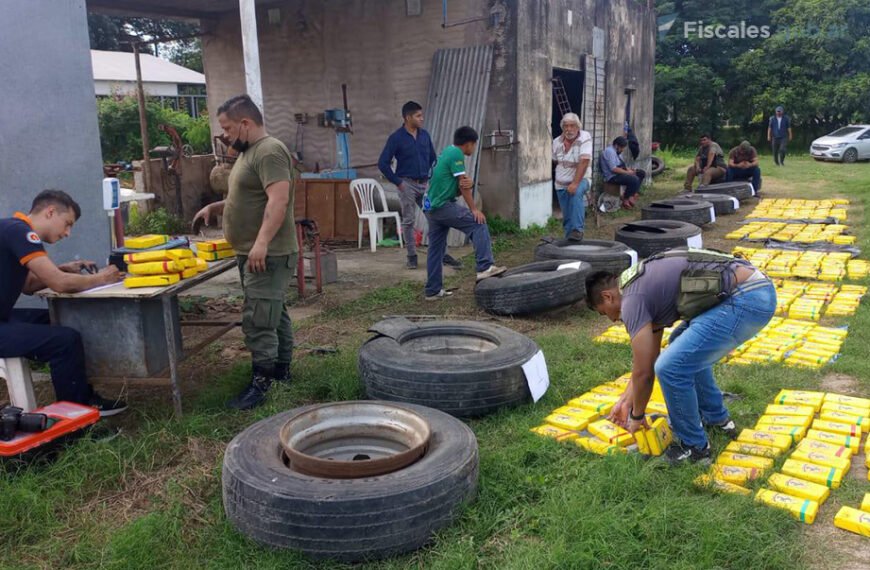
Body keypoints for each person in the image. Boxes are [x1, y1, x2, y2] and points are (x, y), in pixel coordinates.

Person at [585, 248, 775, 464]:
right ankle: (716, 419)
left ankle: (695, 448)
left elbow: (646, 373)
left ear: (607, 296)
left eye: (603, 313)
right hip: (753, 291)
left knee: (671, 367)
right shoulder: (636, 285)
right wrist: (626, 400)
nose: (610, 320)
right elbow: (646, 362)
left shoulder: (631, 301)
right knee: (680, 348)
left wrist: (637, 417)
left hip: (748, 298)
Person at [192, 94, 297, 410]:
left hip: (269, 252)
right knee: (273, 312)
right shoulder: (249, 153)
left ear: (245, 123)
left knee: (259, 318)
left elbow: (278, 201)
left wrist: (261, 242)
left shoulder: (270, 151)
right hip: (254, 250)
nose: (223, 134)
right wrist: (219, 205)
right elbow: (251, 195)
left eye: (226, 128)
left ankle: (262, 384)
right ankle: (281, 373)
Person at [0, 190, 126, 416]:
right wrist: (102, 278)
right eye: (67, 224)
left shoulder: (11, 228)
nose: (67, 233)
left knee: (60, 318)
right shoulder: (22, 233)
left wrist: (62, 268)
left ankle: (82, 397)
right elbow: (59, 284)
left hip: (4, 317)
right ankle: (76, 415)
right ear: (50, 212)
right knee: (64, 340)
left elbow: (28, 285)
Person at [423, 126, 506, 300]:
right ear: (468, 144)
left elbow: (457, 186)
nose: (473, 149)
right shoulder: (456, 155)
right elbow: (462, 184)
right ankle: (485, 267)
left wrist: (465, 185)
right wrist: (474, 209)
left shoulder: (447, 152)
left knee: (436, 250)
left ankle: (433, 291)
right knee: (478, 223)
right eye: (474, 145)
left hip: (432, 208)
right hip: (442, 206)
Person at [377, 101, 461, 270]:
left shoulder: (424, 136)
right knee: (409, 221)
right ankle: (412, 256)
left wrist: (433, 179)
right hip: (406, 184)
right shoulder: (396, 138)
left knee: (436, 217)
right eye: (418, 116)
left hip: (425, 186)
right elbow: (383, 163)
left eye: (422, 115)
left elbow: (432, 158)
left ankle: (442, 254)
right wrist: (398, 182)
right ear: (408, 118)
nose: (422, 118)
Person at [552, 113, 592, 241]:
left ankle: (577, 230)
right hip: (561, 183)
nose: (569, 129)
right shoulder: (556, 142)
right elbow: (554, 161)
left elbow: (584, 161)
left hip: (581, 179)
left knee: (576, 194)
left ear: (578, 126)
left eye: (572, 126)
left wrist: (574, 183)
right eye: (566, 126)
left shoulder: (584, 137)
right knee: (567, 214)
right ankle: (570, 240)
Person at [600, 136, 646, 209]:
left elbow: (620, 164)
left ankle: (631, 195)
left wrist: (629, 169)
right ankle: (626, 199)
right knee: (634, 179)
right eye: (622, 148)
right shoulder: (609, 152)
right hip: (612, 176)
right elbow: (613, 169)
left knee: (641, 173)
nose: (623, 149)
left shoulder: (617, 151)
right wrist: (628, 173)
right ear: (616, 145)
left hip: (619, 173)